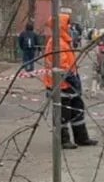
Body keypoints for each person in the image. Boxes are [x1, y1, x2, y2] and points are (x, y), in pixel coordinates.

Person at [41, 11, 97, 149]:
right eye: (67, 24)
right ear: (61, 26)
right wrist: (73, 79)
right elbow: (61, 66)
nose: (70, 26)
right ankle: (64, 140)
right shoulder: (57, 43)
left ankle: (81, 138)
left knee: (77, 111)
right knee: (63, 114)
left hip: (68, 83)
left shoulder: (63, 41)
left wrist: (74, 79)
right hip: (61, 85)